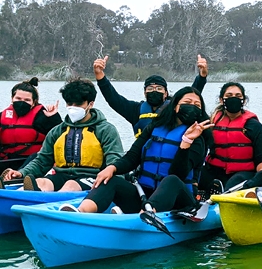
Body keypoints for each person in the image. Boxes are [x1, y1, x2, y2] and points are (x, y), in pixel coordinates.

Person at [65, 86, 213, 214]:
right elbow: (132, 157)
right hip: (145, 194)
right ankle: (80, 212)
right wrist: (112, 167)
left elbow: (179, 174)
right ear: (175, 106)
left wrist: (186, 142)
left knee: (171, 180)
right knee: (111, 179)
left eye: (197, 105)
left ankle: (145, 216)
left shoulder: (198, 139)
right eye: (187, 102)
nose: (192, 106)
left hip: (178, 199)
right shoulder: (155, 128)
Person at [2, 78, 124, 192]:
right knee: (41, 182)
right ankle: (21, 197)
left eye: (78, 104)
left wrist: (114, 179)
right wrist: (22, 172)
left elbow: (115, 160)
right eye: (70, 103)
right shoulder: (58, 131)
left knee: (70, 185)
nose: (73, 108)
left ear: (90, 104)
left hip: (92, 176)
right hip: (61, 174)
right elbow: (42, 160)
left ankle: (53, 207)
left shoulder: (105, 130)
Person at [93, 54, 208, 137]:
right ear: (145, 93)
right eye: (150, 89)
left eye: (159, 88)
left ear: (166, 93)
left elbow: (191, 94)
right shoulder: (135, 110)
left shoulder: (175, 108)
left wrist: (202, 77)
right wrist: (100, 76)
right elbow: (113, 99)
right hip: (142, 161)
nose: (154, 91)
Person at [199, 82, 262, 194]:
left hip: (243, 173)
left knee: (233, 183)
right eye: (229, 95)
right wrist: (201, 79)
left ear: (244, 100)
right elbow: (191, 98)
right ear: (221, 100)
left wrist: (261, 177)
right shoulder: (212, 122)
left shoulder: (253, 126)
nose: (233, 99)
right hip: (213, 170)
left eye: (238, 96)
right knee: (195, 176)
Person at [0, 77, 61, 169]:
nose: (22, 102)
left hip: (34, 162)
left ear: (34, 102)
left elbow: (61, 137)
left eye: (27, 100)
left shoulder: (43, 117)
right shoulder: (2, 116)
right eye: (18, 98)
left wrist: (54, 118)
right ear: (12, 98)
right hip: (6, 160)